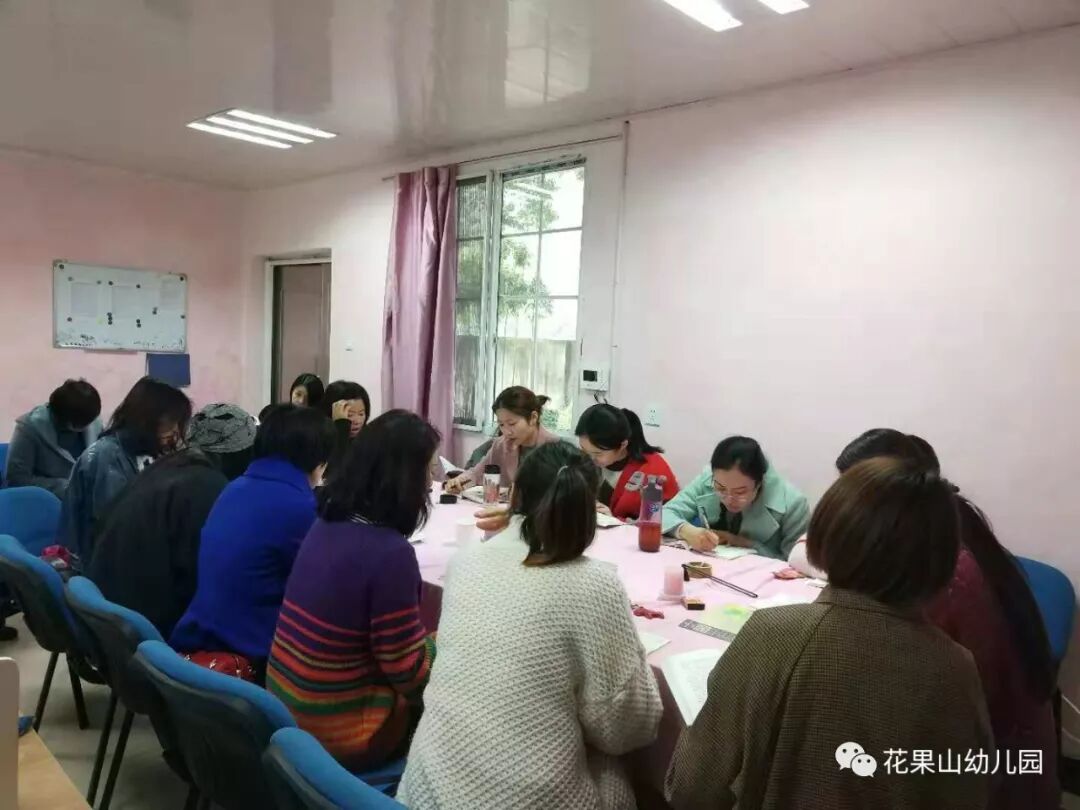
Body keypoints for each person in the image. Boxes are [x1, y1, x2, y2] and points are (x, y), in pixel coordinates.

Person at [666, 457, 993, 810]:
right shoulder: (956, 667)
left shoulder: (773, 635)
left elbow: (692, 788)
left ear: (827, 535)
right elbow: (966, 793)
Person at [790, 428, 1059, 810]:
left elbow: (892, 687)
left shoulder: (944, 575)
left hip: (985, 772)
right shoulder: (944, 529)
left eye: (858, 494)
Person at [400, 442, 662, 808]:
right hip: (525, 799)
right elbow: (626, 729)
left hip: (426, 790)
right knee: (618, 772)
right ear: (589, 510)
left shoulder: (466, 562)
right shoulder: (594, 585)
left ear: (514, 495)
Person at [267, 410, 439, 771]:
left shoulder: (325, 524)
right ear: (406, 478)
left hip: (288, 712)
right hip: (345, 732)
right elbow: (408, 672)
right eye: (427, 470)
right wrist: (448, 649)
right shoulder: (390, 553)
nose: (430, 482)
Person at [170, 405, 334, 672]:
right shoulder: (299, 507)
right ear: (320, 460)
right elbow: (326, 590)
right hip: (252, 650)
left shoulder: (233, 488)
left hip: (202, 636)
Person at [88, 404, 257, 637]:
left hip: (108, 612)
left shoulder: (168, 466)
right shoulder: (207, 486)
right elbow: (204, 576)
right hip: (143, 629)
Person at [57, 377, 191, 563]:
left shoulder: (145, 451)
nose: (174, 431)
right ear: (146, 419)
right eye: (169, 422)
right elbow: (119, 532)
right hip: (99, 565)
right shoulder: (106, 457)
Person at [662, 436, 809, 559]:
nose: (729, 499)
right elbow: (664, 513)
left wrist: (746, 544)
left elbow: (796, 564)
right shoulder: (707, 479)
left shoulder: (793, 504)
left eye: (740, 492)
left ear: (759, 484)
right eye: (721, 489)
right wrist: (686, 530)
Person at [444, 386, 563, 494]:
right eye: (501, 424)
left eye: (512, 423)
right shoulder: (501, 444)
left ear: (533, 418)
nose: (506, 432)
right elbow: (476, 473)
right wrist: (459, 481)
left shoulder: (557, 448)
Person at [575, 403, 679, 519]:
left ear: (623, 445)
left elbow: (659, 522)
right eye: (583, 450)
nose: (590, 458)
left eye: (597, 453)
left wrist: (614, 521)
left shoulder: (653, 473)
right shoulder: (593, 460)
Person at [5, 379, 102, 496]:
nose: (91, 424)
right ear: (70, 424)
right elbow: (17, 480)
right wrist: (64, 487)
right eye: (85, 424)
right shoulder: (29, 429)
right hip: (46, 500)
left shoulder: (92, 422)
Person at [319, 379, 371, 480]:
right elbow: (330, 476)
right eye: (350, 415)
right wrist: (341, 427)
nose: (357, 421)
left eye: (361, 414)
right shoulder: (319, 438)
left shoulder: (370, 438)